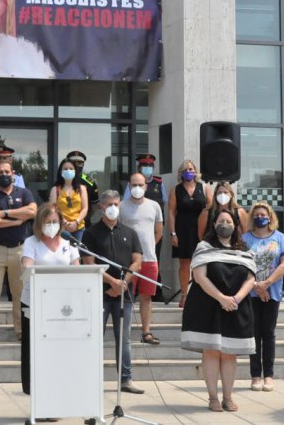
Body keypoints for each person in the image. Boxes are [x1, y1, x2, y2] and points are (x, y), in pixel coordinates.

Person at [181, 210, 256, 412]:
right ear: (214, 225)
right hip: (208, 306)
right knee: (212, 351)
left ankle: (228, 397)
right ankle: (213, 397)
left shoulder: (245, 248)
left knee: (230, 353)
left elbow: (251, 278)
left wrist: (236, 298)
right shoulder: (204, 247)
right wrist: (221, 298)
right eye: (221, 221)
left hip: (236, 306)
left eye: (229, 221)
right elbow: (199, 277)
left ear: (236, 226)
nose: (225, 224)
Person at [82, 190, 145, 395]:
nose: (113, 208)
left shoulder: (130, 232)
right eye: (108, 204)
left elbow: (137, 261)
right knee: (94, 337)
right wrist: (111, 282)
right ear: (101, 207)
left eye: (116, 204)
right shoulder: (90, 233)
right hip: (98, 294)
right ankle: (90, 378)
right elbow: (88, 263)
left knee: (124, 339)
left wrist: (123, 283)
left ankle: (125, 380)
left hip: (124, 295)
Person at [19, 202, 79, 394]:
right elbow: (26, 267)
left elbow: (77, 270)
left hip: (62, 305)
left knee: (58, 351)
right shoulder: (31, 242)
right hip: (35, 303)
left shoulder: (69, 243)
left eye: (55, 221)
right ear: (39, 223)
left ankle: (58, 390)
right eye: (47, 222)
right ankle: (36, 392)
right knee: (35, 350)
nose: (51, 225)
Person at [0, 159, 37, 346]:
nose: (4, 175)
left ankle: (20, 331)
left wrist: (3, 213)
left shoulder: (24, 193)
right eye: (0, 172)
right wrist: (14, 221)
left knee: (19, 293)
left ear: (14, 173)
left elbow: (32, 211)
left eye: (6, 171)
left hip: (20, 250)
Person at [243, 201, 284, 393]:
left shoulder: (279, 238)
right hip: (251, 292)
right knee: (254, 333)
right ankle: (255, 375)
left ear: (270, 217)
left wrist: (266, 284)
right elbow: (241, 264)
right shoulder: (245, 238)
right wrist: (256, 285)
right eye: (257, 215)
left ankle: (268, 376)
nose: (260, 218)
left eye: (264, 215)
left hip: (273, 292)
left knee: (268, 333)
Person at [119, 172, 163, 345]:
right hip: (128, 261)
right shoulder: (121, 206)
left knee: (146, 297)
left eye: (140, 184)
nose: (137, 188)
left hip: (150, 259)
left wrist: (148, 246)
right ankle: (125, 332)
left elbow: (158, 231)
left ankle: (146, 332)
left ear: (146, 186)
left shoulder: (155, 206)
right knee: (127, 297)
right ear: (129, 187)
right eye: (134, 185)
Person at [168, 159, 211, 308]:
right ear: (181, 173)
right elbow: (172, 213)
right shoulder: (175, 189)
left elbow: (210, 210)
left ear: (196, 171)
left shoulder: (204, 188)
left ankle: (200, 295)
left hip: (201, 230)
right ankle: (185, 296)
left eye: (191, 169)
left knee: (201, 263)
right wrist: (173, 233)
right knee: (185, 263)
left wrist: (210, 233)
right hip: (182, 230)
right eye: (186, 169)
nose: (189, 172)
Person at [48, 158, 88, 241]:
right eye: (65, 169)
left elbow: (85, 208)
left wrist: (76, 222)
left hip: (79, 228)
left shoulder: (82, 189)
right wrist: (64, 222)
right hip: (61, 228)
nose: (68, 170)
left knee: (77, 253)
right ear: (61, 171)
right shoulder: (55, 190)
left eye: (71, 169)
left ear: (75, 171)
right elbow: (53, 210)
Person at [66, 150, 100, 227]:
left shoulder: (89, 182)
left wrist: (85, 217)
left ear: (83, 164)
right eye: (73, 162)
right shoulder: (60, 181)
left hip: (84, 224)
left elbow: (95, 205)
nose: (76, 165)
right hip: (64, 224)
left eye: (79, 163)